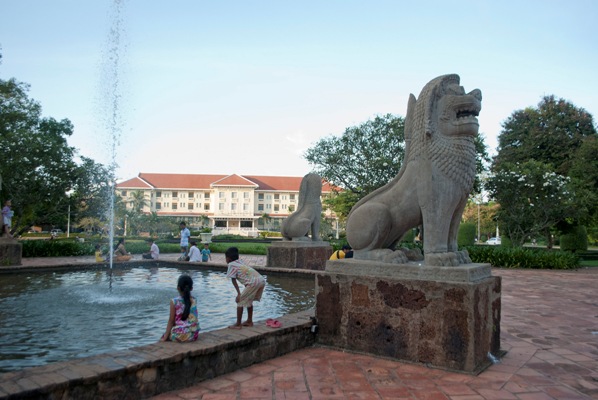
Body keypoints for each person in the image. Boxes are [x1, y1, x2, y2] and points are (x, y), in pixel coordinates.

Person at [225, 247, 266, 329]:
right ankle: (249, 321)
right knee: (249, 300)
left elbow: (233, 280)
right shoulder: (240, 262)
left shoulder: (231, 265)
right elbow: (246, 276)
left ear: (228, 258)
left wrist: (239, 294)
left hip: (253, 283)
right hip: (261, 280)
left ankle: (238, 324)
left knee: (240, 301)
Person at [160, 274, 200, 342]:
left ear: (178, 288)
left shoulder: (174, 301)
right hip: (193, 335)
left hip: (180, 335)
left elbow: (171, 321)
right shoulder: (194, 300)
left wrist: (165, 337)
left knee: (164, 336)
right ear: (191, 288)